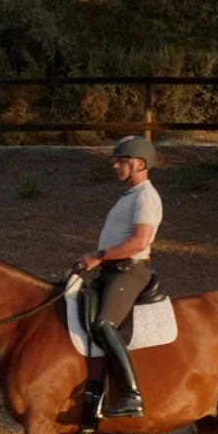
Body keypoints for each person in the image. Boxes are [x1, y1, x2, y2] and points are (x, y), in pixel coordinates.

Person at [74, 135, 162, 419]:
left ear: (139, 163)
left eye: (120, 161)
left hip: (129, 271)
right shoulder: (130, 196)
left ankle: (131, 395)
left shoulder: (146, 197)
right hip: (111, 271)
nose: (115, 166)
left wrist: (98, 255)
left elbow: (139, 242)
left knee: (104, 324)